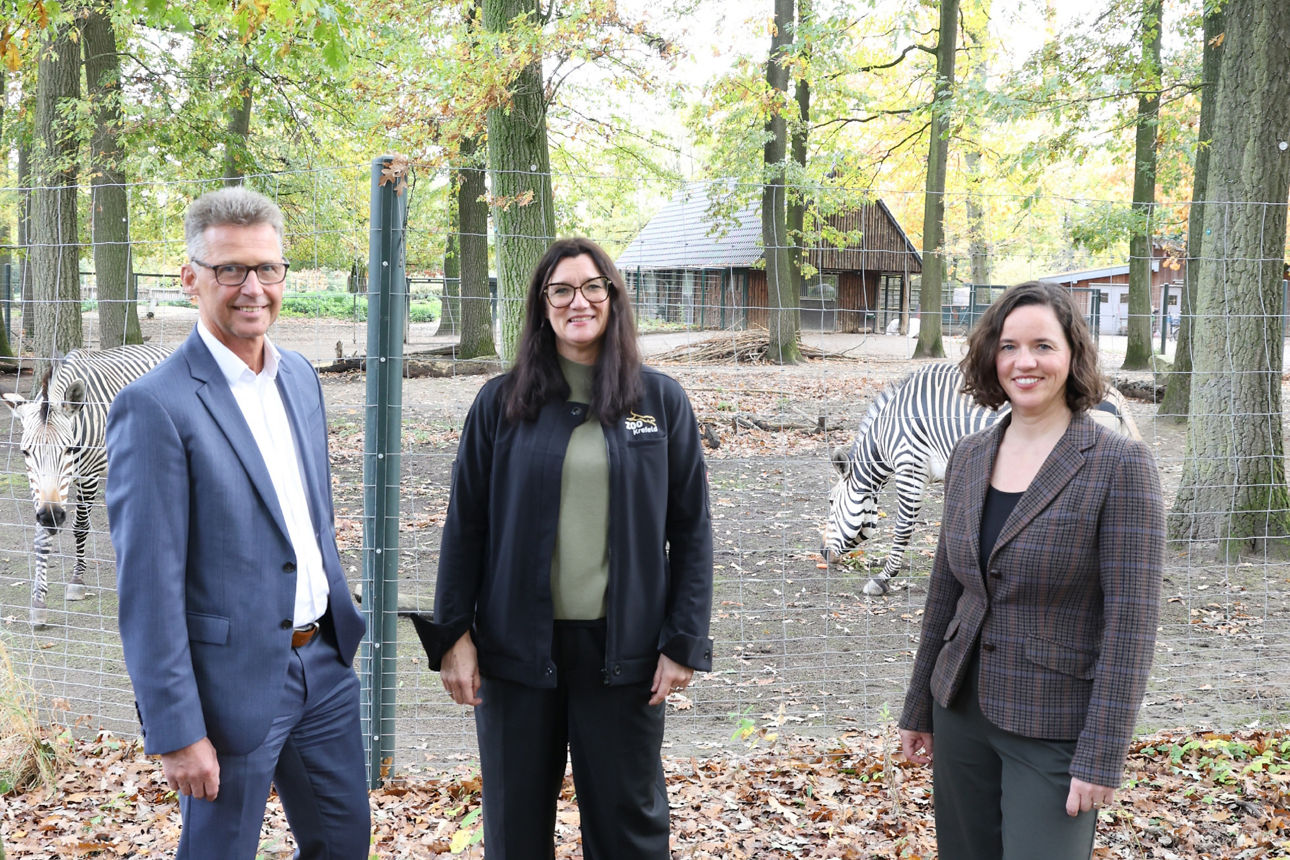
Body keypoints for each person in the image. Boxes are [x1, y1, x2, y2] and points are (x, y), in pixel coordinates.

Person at [411, 237, 714, 860]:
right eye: (562, 290)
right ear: (542, 304)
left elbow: (691, 530)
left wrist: (683, 640)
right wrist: (453, 635)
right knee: (515, 831)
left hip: (624, 656)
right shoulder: (501, 404)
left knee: (629, 832)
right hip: (516, 653)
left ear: (613, 297)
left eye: (593, 287)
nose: (579, 302)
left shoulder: (660, 403)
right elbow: (465, 526)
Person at [106, 187, 370, 859]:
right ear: (190, 277)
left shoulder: (300, 378)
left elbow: (310, 519)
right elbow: (148, 588)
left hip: (324, 665)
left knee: (344, 845)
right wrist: (176, 730)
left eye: (267, 268)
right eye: (231, 269)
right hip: (229, 689)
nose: (253, 288)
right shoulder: (155, 407)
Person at [897, 280, 1164, 860]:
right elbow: (945, 592)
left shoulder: (1119, 465)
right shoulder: (969, 455)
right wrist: (919, 706)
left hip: (1054, 724)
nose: (1025, 362)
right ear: (991, 357)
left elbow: (1132, 624)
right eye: (1009, 346)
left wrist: (1102, 753)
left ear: (1073, 355)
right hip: (959, 710)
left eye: (1043, 345)